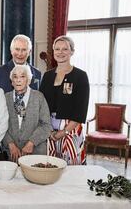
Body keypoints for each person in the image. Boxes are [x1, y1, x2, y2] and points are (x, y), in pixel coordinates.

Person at [39, 35, 90, 165]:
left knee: (72, 169)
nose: (60, 52)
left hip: (71, 130)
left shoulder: (80, 76)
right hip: (49, 130)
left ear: (72, 52)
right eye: (57, 49)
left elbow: (81, 109)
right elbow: (41, 105)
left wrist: (64, 131)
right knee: (51, 168)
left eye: (65, 49)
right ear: (53, 52)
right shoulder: (47, 76)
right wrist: (48, 129)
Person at [2, 65, 52, 162]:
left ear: (28, 80)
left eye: (22, 76)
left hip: (36, 151)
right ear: (11, 81)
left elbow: (46, 125)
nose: (18, 80)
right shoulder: (5, 98)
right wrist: (10, 144)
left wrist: (31, 143)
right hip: (12, 153)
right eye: (15, 77)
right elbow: (0, 124)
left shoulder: (39, 97)